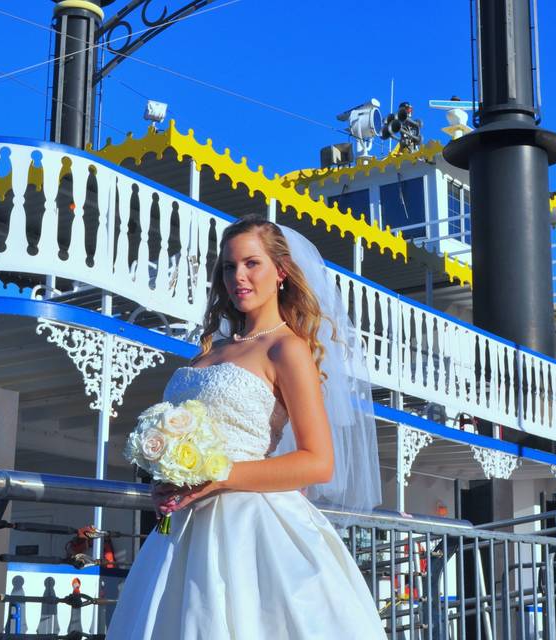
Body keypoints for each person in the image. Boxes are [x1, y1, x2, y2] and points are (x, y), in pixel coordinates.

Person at [105, 215, 385, 639]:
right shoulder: (208, 352)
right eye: (228, 267)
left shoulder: (286, 348)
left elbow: (318, 462)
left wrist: (214, 476)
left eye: (251, 263)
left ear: (281, 272)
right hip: (182, 531)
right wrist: (163, 479)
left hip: (250, 529)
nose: (238, 276)